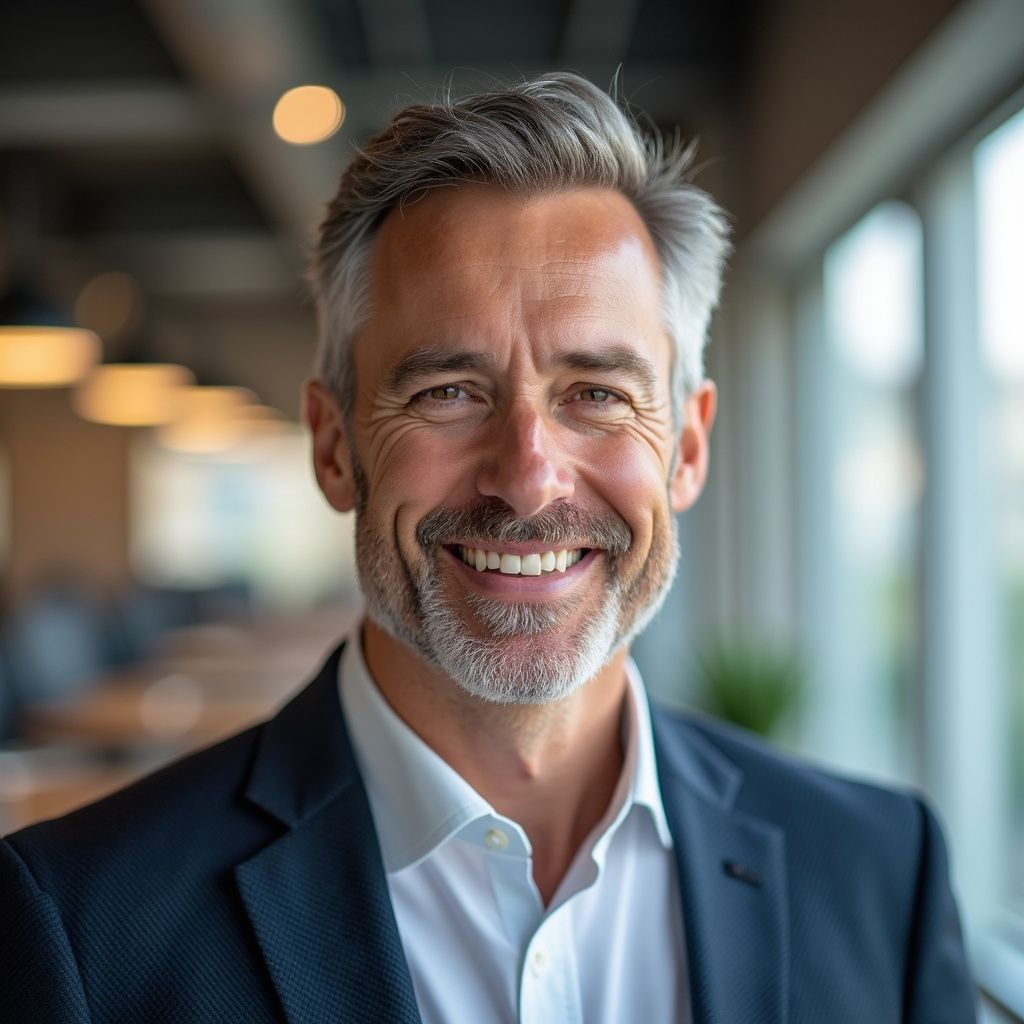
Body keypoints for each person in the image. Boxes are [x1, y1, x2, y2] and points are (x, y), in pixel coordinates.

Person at [1, 73, 976, 1023]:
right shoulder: (84, 929)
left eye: (596, 393)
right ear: (336, 448)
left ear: (684, 448)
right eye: (447, 392)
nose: (528, 476)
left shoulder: (879, 873)